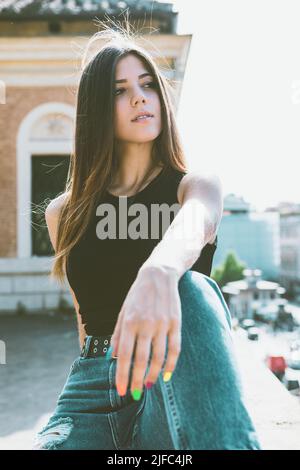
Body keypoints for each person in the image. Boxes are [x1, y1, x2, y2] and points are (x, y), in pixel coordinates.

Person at [32, 23, 262, 450]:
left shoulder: (194, 185)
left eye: (147, 84)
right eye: (120, 90)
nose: (139, 96)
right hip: (93, 388)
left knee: (190, 287)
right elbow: (84, 321)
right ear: (96, 109)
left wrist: (159, 270)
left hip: (170, 373)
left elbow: (198, 221)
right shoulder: (64, 212)